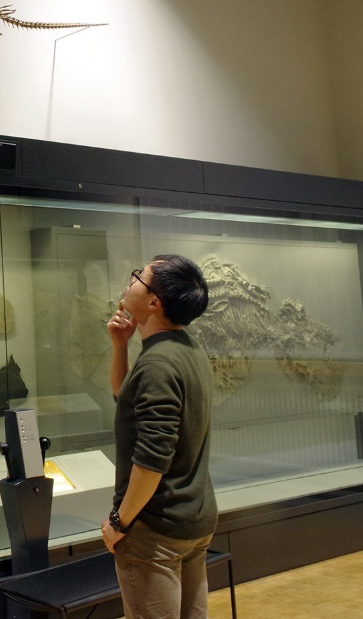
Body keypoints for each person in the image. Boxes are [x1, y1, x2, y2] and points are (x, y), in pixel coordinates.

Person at [102, 254, 216, 619]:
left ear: (154, 302)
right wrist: (120, 345)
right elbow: (126, 398)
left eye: (139, 277)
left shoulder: (158, 363)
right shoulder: (186, 349)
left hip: (156, 526)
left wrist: (119, 522)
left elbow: (152, 461)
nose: (130, 281)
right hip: (192, 516)